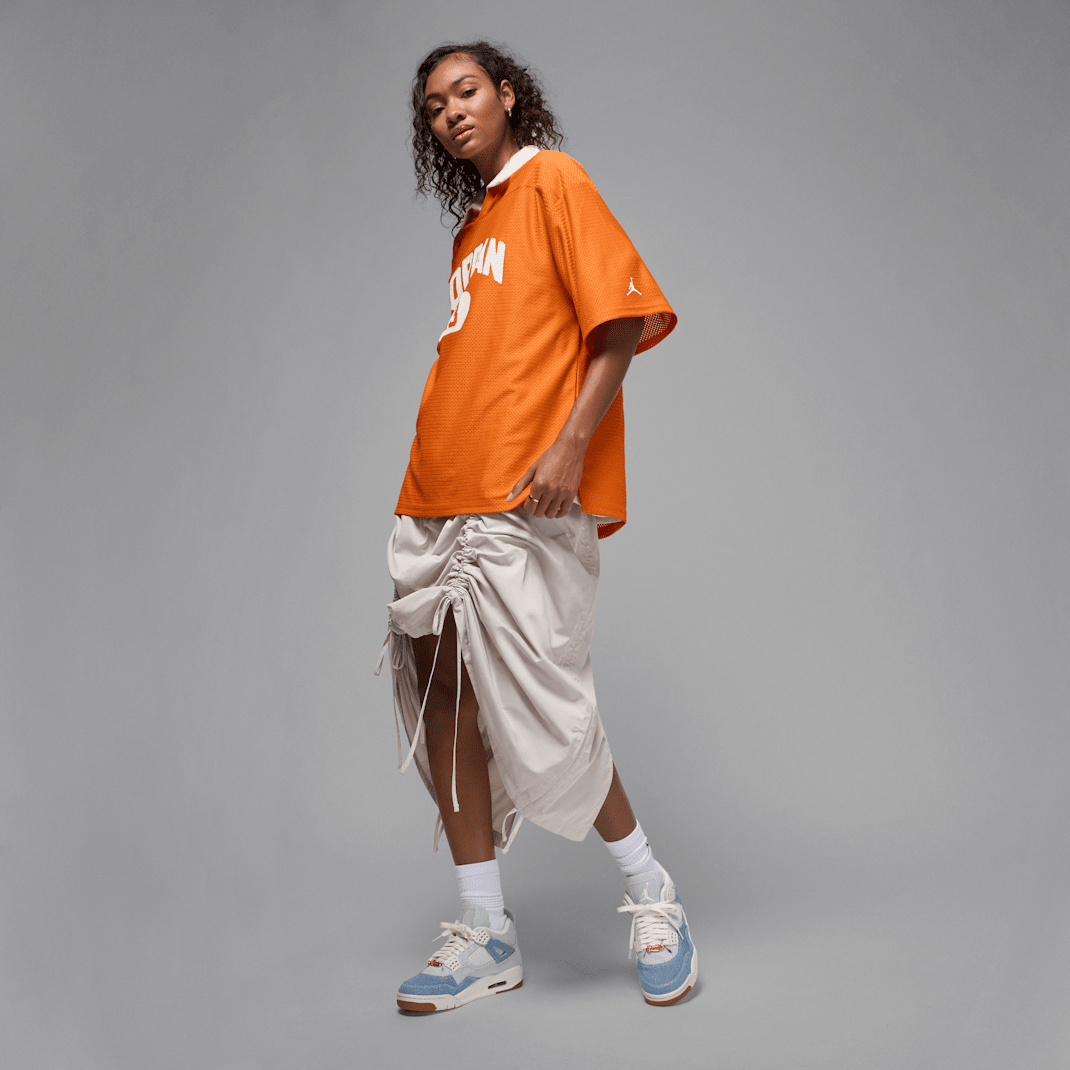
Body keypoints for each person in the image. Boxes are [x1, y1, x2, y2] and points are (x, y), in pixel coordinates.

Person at [376, 40, 696, 1014]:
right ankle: (485, 930)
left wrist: (570, 445)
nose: (450, 112)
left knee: (548, 711)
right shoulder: (474, 227)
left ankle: (652, 892)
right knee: (443, 700)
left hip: (521, 494)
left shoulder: (553, 179)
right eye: (434, 106)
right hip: (434, 489)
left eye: (466, 90)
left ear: (507, 94)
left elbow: (618, 321)